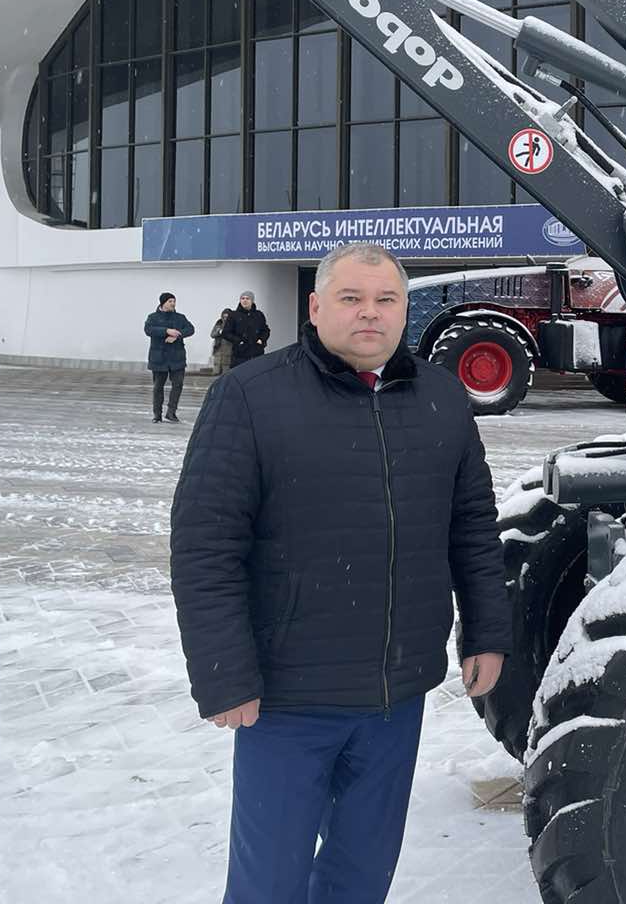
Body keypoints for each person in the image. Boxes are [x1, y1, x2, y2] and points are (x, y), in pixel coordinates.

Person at [170, 242, 510, 903]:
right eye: (351, 299)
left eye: (386, 301)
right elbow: (204, 546)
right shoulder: (251, 398)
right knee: (269, 883)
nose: (370, 315)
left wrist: (486, 634)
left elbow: (472, 526)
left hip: (395, 697)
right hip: (288, 702)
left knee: (360, 876)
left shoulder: (442, 399)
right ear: (317, 306)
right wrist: (223, 673)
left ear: (405, 311)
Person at [144, 292, 195, 423]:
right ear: (163, 303)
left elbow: (190, 329)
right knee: (158, 387)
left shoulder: (180, 317)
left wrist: (177, 335)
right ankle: (157, 414)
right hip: (159, 357)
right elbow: (148, 330)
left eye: (174, 301)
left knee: (178, 384)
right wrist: (166, 331)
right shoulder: (153, 317)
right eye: (170, 301)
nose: (172, 303)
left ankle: (171, 412)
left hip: (177, 357)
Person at [222, 290, 270, 368]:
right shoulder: (233, 315)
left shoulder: (259, 315)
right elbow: (226, 333)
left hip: (256, 352)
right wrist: (238, 341)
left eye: (247, 298)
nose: (245, 300)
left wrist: (261, 340)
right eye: (242, 298)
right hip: (240, 354)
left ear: (252, 301)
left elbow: (265, 330)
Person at [209, 308, 234, 376]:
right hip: (218, 347)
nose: (225, 318)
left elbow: (235, 336)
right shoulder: (219, 323)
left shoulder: (233, 324)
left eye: (227, 317)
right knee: (217, 363)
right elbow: (212, 334)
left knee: (226, 364)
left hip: (229, 347)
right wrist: (219, 331)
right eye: (224, 316)